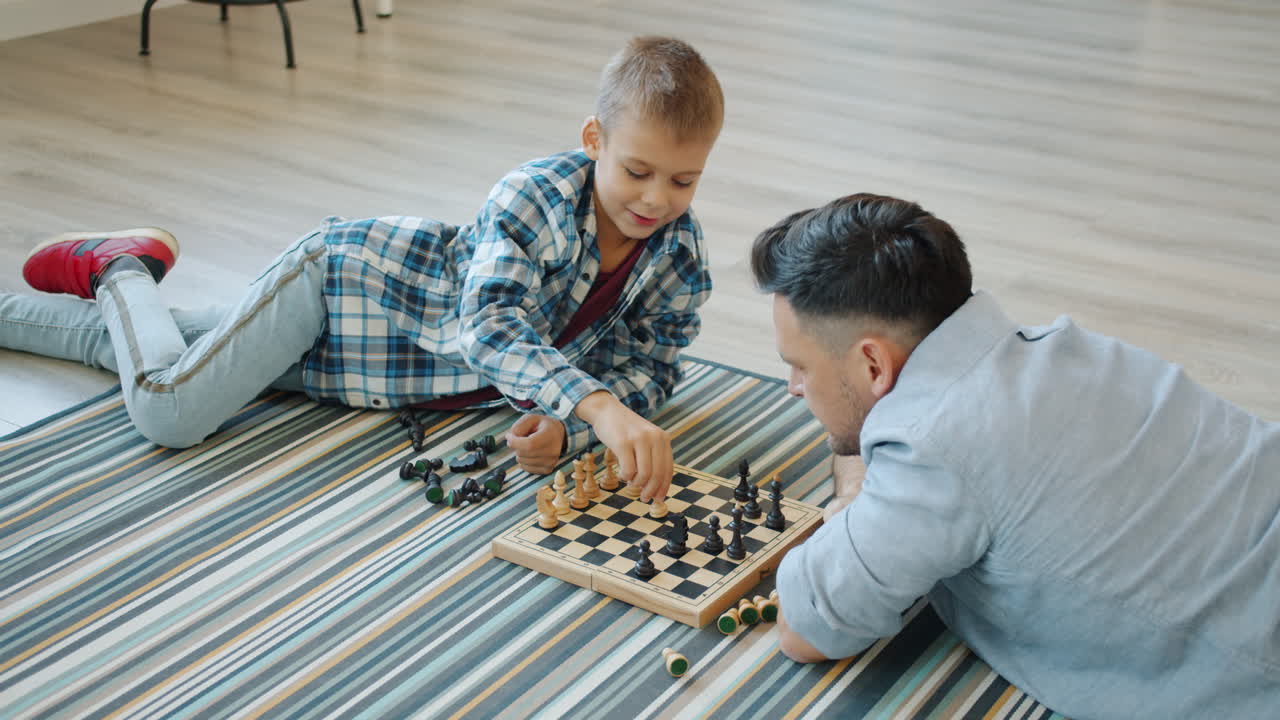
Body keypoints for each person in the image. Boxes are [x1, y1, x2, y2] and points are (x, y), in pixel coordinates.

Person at [0, 36, 725, 502]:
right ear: (593, 138)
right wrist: (594, 406)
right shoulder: (534, 196)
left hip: (369, 365)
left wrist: (574, 430)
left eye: (684, 181)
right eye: (637, 170)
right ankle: (122, 268)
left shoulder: (679, 257)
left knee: (159, 345)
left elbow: (651, 369)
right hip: (339, 287)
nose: (657, 200)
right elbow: (491, 329)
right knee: (168, 406)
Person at [755, 193, 1280, 717]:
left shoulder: (932, 449)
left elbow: (806, 629)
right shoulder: (1060, 349)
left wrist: (853, 504)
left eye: (800, 365)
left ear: (872, 363)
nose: (793, 387)